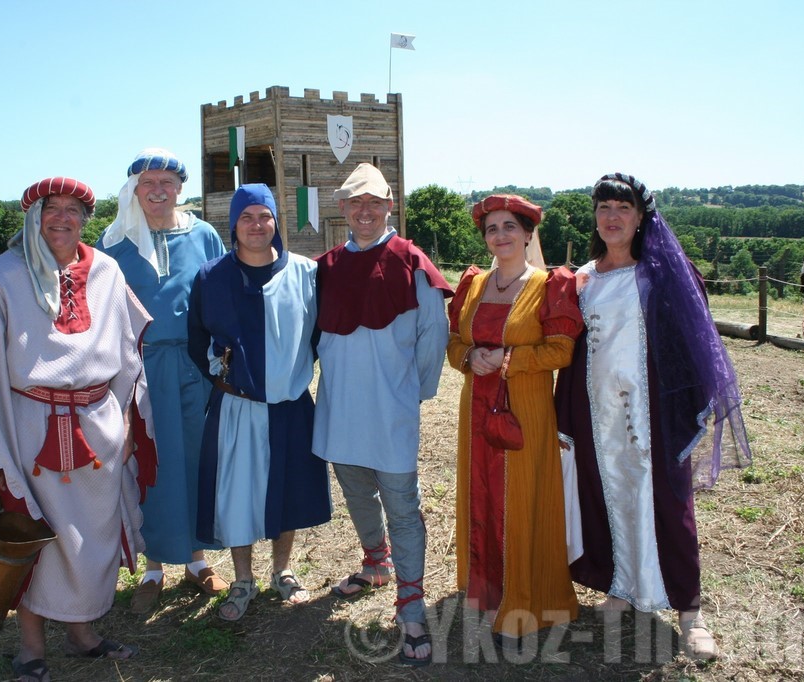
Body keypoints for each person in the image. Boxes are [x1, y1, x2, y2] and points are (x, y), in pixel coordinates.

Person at [0, 177, 153, 682]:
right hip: (29, 426)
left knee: (93, 534)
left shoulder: (106, 271)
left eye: (73, 210)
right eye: (52, 209)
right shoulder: (0, 275)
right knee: (35, 533)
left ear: (85, 220)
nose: (62, 218)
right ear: (33, 217)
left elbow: (128, 351)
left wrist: (127, 420)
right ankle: (31, 648)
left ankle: (82, 633)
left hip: (97, 425)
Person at [554, 173, 752, 661]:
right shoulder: (584, 278)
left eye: (623, 208)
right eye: (604, 208)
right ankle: (621, 585)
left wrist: (680, 403)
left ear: (641, 217)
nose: (612, 217)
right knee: (606, 496)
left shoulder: (663, 274)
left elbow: (695, 340)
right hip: (597, 415)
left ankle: (690, 613)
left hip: (652, 414)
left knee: (667, 504)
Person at [314, 163, 453, 666]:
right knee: (354, 491)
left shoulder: (411, 261)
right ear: (343, 208)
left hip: (390, 408)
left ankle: (411, 608)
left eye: (374, 202)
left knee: (402, 507)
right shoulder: (326, 266)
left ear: (390, 205)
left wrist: (411, 392)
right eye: (356, 202)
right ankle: (376, 564)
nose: (365, 211)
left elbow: (434, 334)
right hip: (340, 408)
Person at [187, 183, 331, 622]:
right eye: (246, 217)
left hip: (289, 405)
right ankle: (243, 578)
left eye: (264, 216)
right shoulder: (211, 277)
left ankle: (282, 570)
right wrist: (230, 378)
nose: (256, 225)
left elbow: (318, 337)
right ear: (233, 225)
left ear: (275, 221)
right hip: (238, 408)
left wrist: (286, 375)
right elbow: (197, 341)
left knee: (287, 491)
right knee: (238, 495)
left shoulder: (305, 273)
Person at [446, 195, 582, 650]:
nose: (500, 235)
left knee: (522, 500)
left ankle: (523, 601)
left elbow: (561, 350)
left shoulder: (549, 285)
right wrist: (469, 357)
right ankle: (486, 591)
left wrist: (507, 359)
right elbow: (453, 342)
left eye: (509, 227)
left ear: (527, 234)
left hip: (525, 409)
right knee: (481, 494)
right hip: (475, 409)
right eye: (492, 228)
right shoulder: (474, 284)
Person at [97, 148, 228, 613]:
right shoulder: (113, 243)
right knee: (149, 462)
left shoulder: (203, 235)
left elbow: (222, 295)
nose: (157, 190)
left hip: (195, 366)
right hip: (139, 369)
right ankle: (153, 568)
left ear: (179, 188)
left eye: (167, 182)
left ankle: (196, 560)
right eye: (148, 182)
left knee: (195, 459)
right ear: (133, 189)